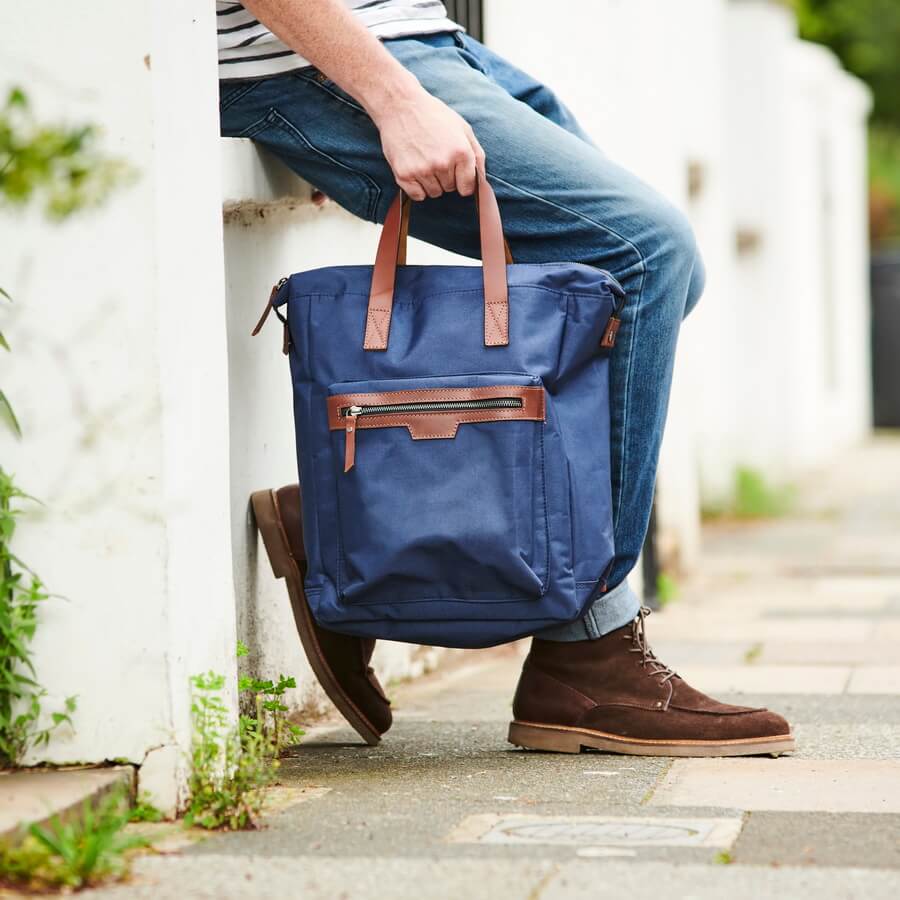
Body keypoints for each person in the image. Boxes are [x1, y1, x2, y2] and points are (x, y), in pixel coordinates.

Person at [220, 0, 794, 757]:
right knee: (646, 254)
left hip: (427, 43)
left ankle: (355, 516)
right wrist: (385, 99)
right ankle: (590, 648)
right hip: (314, 61)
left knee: (619, 291)